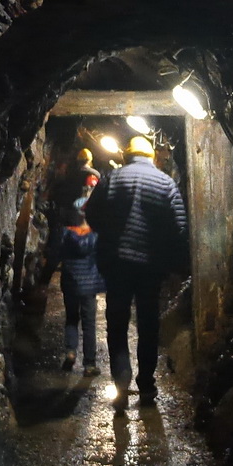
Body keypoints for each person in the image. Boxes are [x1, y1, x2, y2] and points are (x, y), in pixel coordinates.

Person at [84, 133, 188, 407]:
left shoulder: (112, 179)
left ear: (127, 155)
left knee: (117, 323)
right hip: (150, 265)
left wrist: (109, 235)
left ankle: (121, 382)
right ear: (152, 157)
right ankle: (146, 385)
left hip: (117, 263)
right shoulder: (165, 183)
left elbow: (91, 213)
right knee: (148, 323)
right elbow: (179, 226)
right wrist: (167, 257)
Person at [51, 204, 103, 375]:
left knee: (72, 318)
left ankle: (71, 352)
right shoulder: (96, 235)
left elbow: (56, 255)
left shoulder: (65, 234)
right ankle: (89, 364)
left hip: (71, 282)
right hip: (89, 285)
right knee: (89, 323)